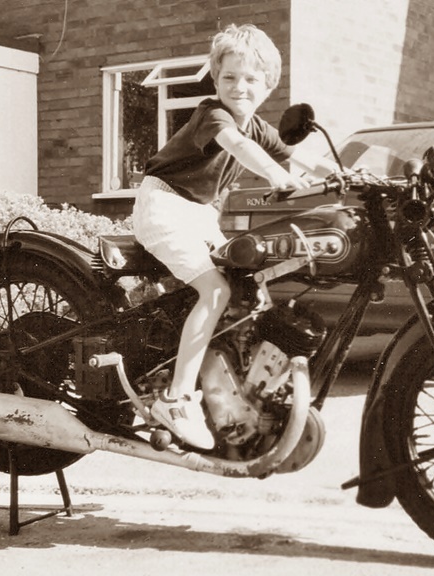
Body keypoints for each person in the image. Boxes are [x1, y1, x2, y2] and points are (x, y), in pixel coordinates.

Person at [132, 23, 338, 449]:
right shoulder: (214, 115)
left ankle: (232, 385)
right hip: (165, 205)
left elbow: (296, 154)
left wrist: (341, 174)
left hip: (199, 213)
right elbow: (239, 148)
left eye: (250, 79)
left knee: (246, 285)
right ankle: (176, 399)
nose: (238, 87)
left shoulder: (258, 126)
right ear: (215, 78)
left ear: (268, 86)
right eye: (229, 77)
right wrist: (279, 178)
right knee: (214, 291)